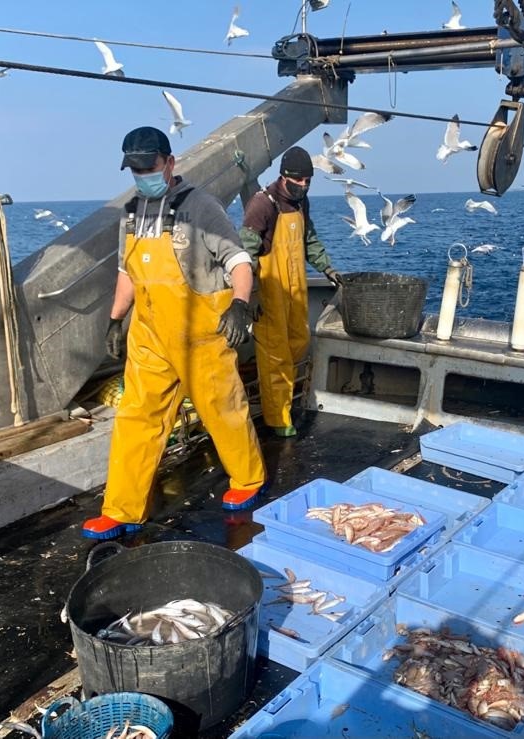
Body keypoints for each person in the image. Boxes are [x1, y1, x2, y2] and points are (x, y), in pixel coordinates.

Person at [83, 126, 267, 540]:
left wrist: (239, 303)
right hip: (149, 336)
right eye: (135, 168)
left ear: (169, 162)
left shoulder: (201, 206)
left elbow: (238, 260)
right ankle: (121, 508)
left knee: (223, 410)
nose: (143, 174)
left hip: (201, 332)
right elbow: (126, 272)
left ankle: (248, 478)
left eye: (149, 166)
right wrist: (116, 319)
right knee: (135, 418)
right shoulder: (130, 212)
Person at [239, 146, 341, 437]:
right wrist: (253, 294)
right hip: (269, 294)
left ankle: (283, 402)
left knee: (299, 341)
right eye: (299, 182)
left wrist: (328, 269)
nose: (304, 187)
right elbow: (244, 255)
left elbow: (309, 240)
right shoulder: (262, 205)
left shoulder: (301, 203)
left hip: (295, 291)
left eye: (308, 182)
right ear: (284, 178)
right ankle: (277, 418)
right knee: (276, 357)